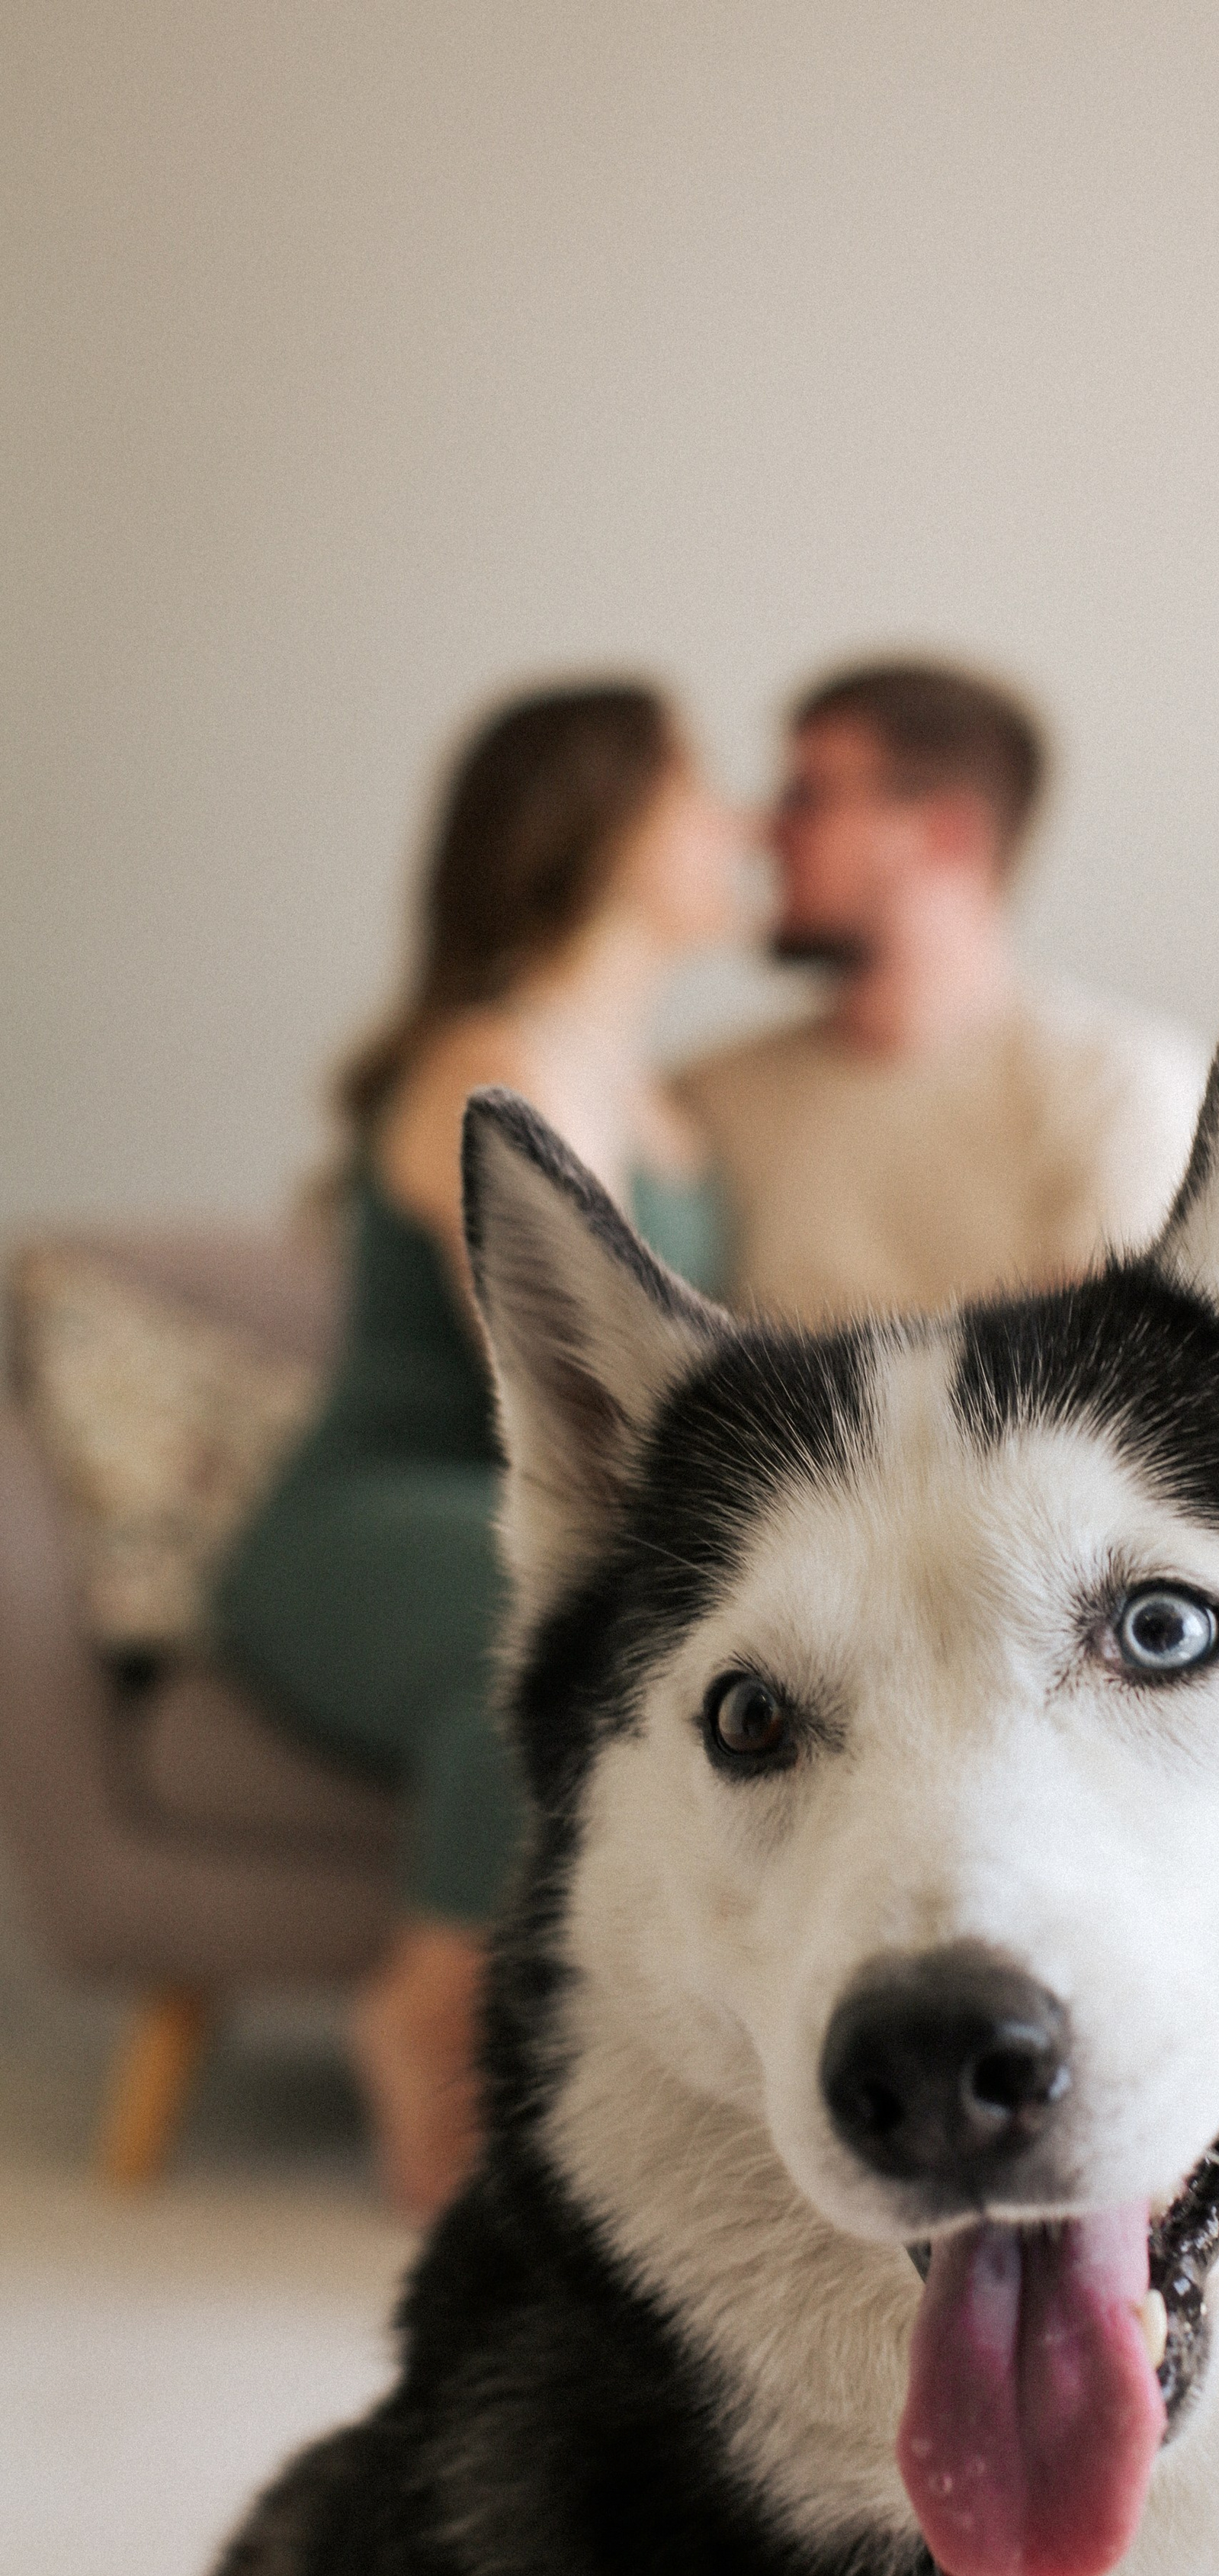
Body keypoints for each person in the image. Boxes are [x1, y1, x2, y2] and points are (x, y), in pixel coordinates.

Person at [216, 683, 743, 2217]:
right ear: (601, 830)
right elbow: (576, 1386)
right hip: (365, 1527)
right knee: (555, 1614)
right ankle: (421, 2013)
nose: (737, 827)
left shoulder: (659, 1091)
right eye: (695, 794)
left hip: (496, 1516)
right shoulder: (488, 1070)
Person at [674, 660, 1205, 1321]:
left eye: (809, 797)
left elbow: (1104, 1368)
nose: (765, 831)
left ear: (947, 834)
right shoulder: (706, 1099)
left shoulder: (1120, 1086)